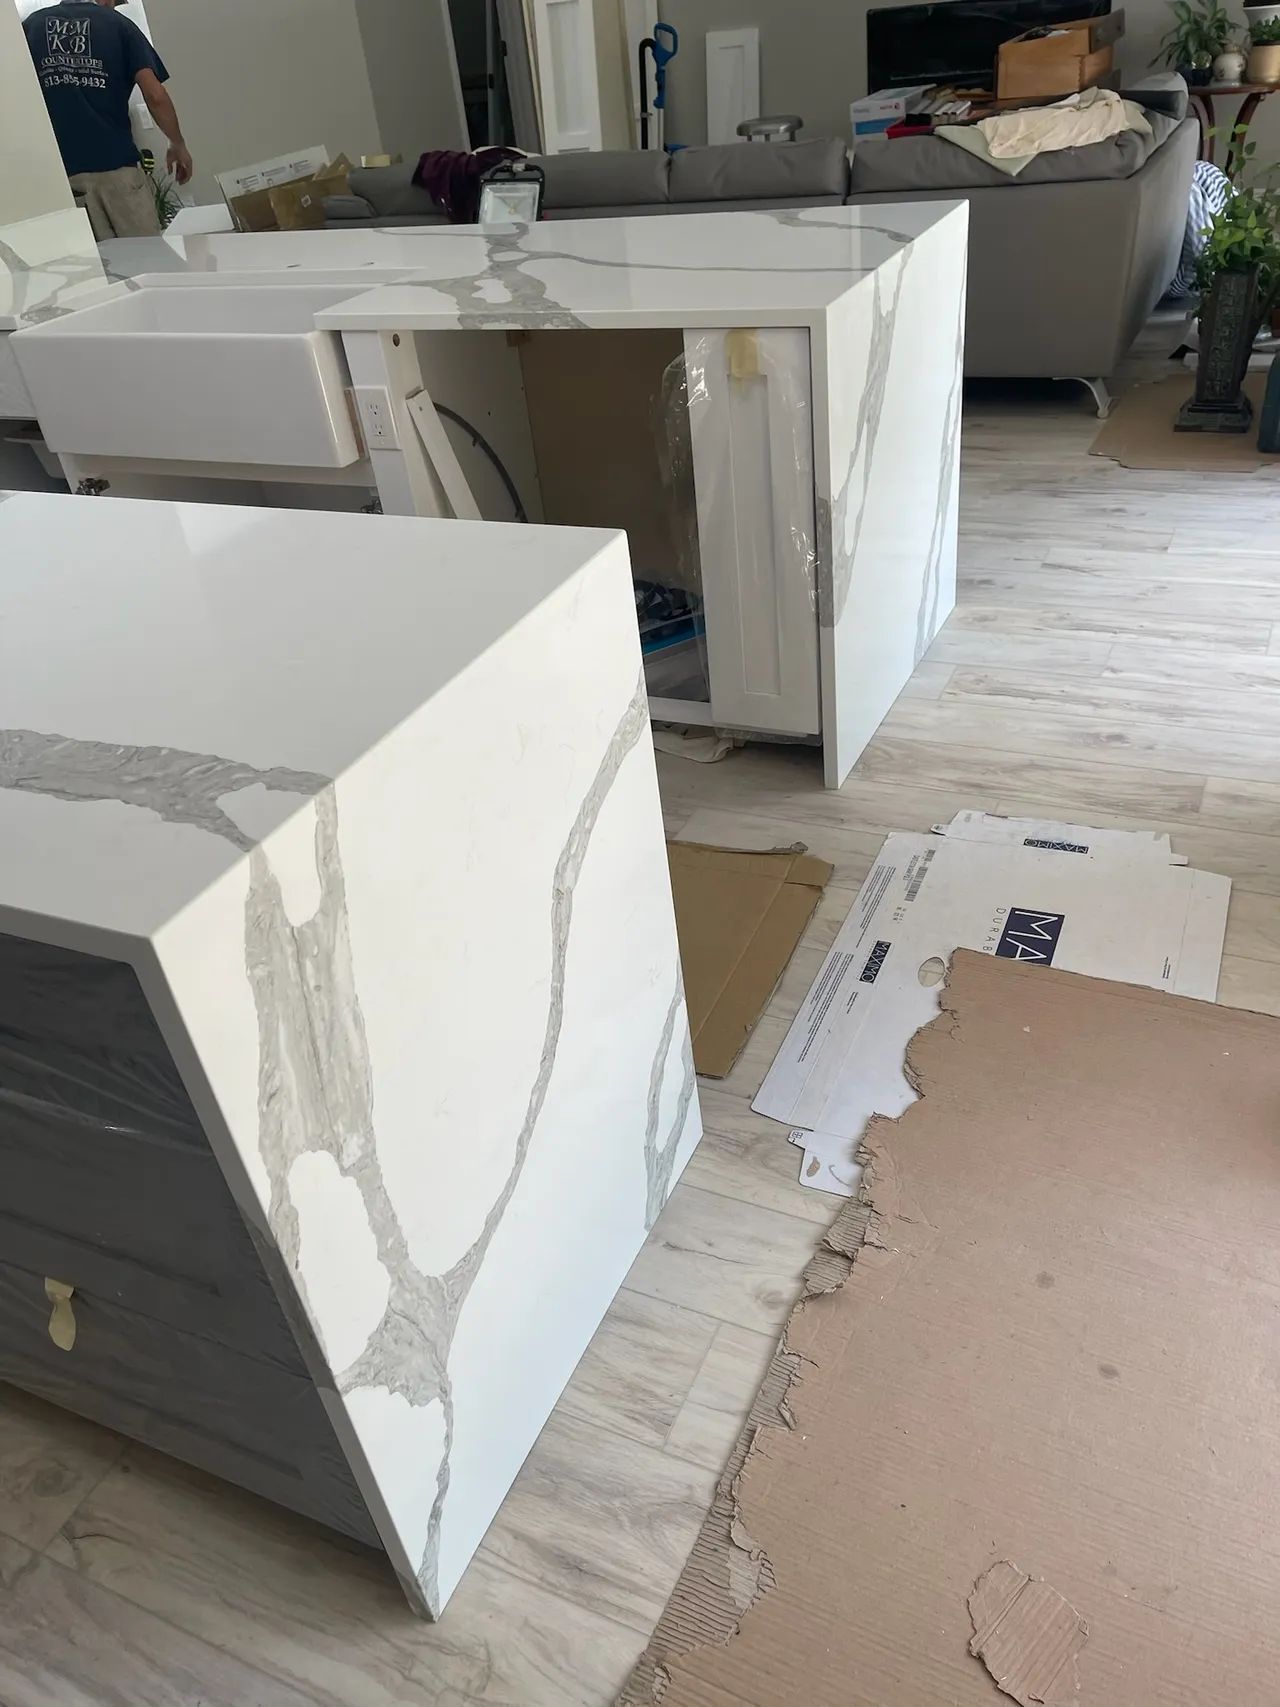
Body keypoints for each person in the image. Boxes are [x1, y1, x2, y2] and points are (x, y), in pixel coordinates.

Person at [23, 0, 192, 240]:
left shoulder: (31, 27)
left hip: (64, 179)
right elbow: (155, 95)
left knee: (94, 262)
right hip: (117, 170)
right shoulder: (119, 24)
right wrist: (177, 143)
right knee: (146, 257)